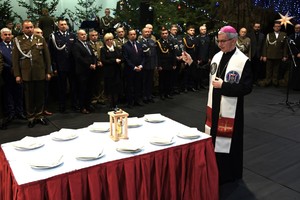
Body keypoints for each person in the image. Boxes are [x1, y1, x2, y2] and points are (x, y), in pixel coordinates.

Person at [182, 25, 253, 185]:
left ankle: (227, 175)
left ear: (233, 41)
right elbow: (203, 74)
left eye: (223, 41)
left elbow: (247, 88)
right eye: (218, 41)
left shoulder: (243, 61)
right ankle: (213, 170)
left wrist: (225, 86)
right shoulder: (216, 57)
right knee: (214, 140)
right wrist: (191, 62)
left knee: (228, 144)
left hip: (231, 113)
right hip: (214, 108)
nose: (220, 44)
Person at [12, 20, 52, 128]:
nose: (30, 29)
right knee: (29, 97)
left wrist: (48, 71)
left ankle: (39, 116)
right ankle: (31, 117)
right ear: (23, 29)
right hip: (26, 73)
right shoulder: (18, 40)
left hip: (39, 72)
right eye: (27, 28)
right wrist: (17, 75)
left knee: (40, 95)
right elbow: (15, 60)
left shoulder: (40, 39)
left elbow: (47, 57)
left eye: (31, 27)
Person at [48, 19, 78, 113]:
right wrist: (54, 67)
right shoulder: (54, 36)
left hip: (72, 65)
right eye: (61, 24)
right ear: (58, 26)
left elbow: (75, 50)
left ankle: (74, 104)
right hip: (61, 66)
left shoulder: (72, 35)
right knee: (62, 87)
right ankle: (62, 106)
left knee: (74, 86)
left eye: (65, 24)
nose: (64, 26)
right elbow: (52, 53)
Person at [0, 28, 26, 129]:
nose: (7, 36)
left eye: (9, 34)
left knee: (19, 93)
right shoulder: (0, 47)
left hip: (18, 74)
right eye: (5, 34)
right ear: (1, 36)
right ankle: (11, 114)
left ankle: (20, 112)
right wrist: (10, 68)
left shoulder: (16, 45)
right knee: (8, 94)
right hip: (6, 75)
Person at [71, 29, 97, 114]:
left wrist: (94, 63)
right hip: (82, 71)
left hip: (91, 70)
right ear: (78, 35)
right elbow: (78, 58)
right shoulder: (76, 45)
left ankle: (88, 105)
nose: (84, 36)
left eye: (85, 34)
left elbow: (92, 55)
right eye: (82, 34)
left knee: (90, 89)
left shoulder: (87, 44)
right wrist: (89, 65)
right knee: (82, 90)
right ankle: (82, 107)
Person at [260, 22, 288, 87]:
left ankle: (275, 82)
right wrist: (264, 55)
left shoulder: (283, 34)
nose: (277, 27)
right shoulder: (269, 35)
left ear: (280, 27)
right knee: (268, 70)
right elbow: (265, 46)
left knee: (276, 70)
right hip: (269, 55)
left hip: (278, 55)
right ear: (273, 27)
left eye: (278, 26)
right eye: (276, 26)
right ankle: (268, 81)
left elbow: (285, 47)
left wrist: (284, 55)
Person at [122, 29, 145, 108]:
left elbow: (143, 57)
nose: (133, 36)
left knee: (138, 86)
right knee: (130, 87)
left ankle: (137, 100)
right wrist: (134, 67)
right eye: (131, 34)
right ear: (128, 36)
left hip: (140, 69)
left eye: (134, 34)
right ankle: (130, 102)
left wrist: (141, 65)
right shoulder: (125, 46)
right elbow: (126, 59)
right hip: (130, 70)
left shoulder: (139, 45)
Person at [33, 27, 53, 116]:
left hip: (45, 70)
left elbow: (48, 58)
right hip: (35, 72)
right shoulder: (32, 44)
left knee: (45, 91)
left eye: (41, 33)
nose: (40, 34)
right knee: (35, 93)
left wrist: (49, 71)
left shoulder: (46, 43)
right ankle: (35, 111)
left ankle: (44, 109)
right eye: (37, 33)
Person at [101, 33, 123, 109]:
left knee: (116, 88)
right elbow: (104, 60)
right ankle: (111, 104)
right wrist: (114, 60)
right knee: (110, 88)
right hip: (108, 72)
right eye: (108, 40)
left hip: (117, 71)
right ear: (105, 41)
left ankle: (116, 104)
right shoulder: (103, 49)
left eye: (111, 39)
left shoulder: (117, 49)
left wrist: (119, 60)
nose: (110, 41)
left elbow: (121, 57)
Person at [156, 27, 177, 100]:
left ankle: (168, 93)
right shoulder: (158, 42)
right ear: (161, 35)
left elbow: (173, 53)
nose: (165, 35)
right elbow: (158, 55)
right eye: (163, 34)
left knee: (169, 79)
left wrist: (174, 64)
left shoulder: (171, 41)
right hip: (163, 64)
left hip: (170, 63)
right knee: (162, 80)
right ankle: (162, 94)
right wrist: (159, 65)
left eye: (166, 33)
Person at [138, 27, 157, 103]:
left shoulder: (152, 41)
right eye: (146, 32)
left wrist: (155, 64)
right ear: (142, 33)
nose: (147, 33)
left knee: (150, 81)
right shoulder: (139, 42)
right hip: (144, 65)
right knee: (143, 82)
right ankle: (143, 96)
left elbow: (155, 54)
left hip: (151, 64)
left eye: (149, 32)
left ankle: (149, 95)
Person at [88, 30, 105, 105]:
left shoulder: (100, 43)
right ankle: (94, 97)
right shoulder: (88, 44)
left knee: (101, 82)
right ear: (89, 36)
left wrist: (101, 61)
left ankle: (101, 97)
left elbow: (103, 53)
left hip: (101, 65)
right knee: (93, 82)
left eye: (96, 35)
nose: (95, 37)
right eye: (93, 35)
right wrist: (96, 62)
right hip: (93, 65)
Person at [196, 24, 211, 88]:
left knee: (205, 72)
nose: (203, 31)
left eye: (204, 29)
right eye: (202, 29)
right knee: (198, 72)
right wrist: (198, 58)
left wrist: (210, 57)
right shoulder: (197, 38)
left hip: (206, 57)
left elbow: (210, 48)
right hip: (199, 57)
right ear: (200, 30)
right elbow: (196, 49)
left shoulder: (209, 38)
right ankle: (197, 84)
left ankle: (203, 84)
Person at [289, 24, 300, 90]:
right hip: (293, 57)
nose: (297, 29)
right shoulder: (291, 36)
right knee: (293, 71)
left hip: (299, 56)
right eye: (296, 28)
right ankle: (293, 86)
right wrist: (291, 54)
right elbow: (289, 47)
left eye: (298, 28)